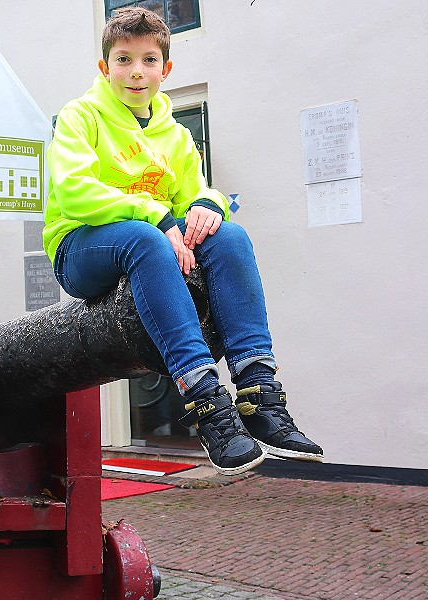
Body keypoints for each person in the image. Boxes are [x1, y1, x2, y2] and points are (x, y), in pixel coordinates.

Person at [43, 7, 322, 475]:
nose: (136, 71)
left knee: (229, 236)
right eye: (123, 59)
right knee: (144, 238)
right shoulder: (80, 116)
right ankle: (206, 401)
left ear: (165, 69)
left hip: (146, 238)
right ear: (104, 67)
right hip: (80, 246)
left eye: (149, 60)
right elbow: (74, 191)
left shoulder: (175, 134)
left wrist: (208, 204)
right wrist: (157, 214)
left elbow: (197, 190)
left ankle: (259, 393)